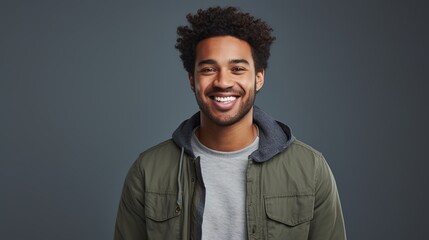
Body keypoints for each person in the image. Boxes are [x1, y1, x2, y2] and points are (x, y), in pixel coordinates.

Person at [114, 6, 346, 240]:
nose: (223, 81)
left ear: (259, 78)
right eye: (208, 69)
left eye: (237, 69)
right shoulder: (148, 170)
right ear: (192, 80)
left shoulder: (310, 169)